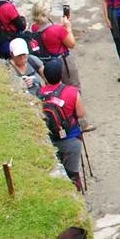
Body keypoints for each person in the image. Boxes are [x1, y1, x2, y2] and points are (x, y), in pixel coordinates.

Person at [38, 62, 89, 193]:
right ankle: (78, 198)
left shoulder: (39, 94)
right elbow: (81, 114)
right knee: (73, 174)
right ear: (61, 74)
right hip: (71, 139)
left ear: (45, 77)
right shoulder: (72, 92)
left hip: (49, 141)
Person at [30, 1, 80, 87]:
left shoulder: (33, 28)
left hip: (46, 62)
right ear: (46, 15)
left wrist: (60, 26)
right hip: (62, 61)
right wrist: (68, 28)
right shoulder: (57, 30)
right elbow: (71, 44)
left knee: (53, 86)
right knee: (73, 85)